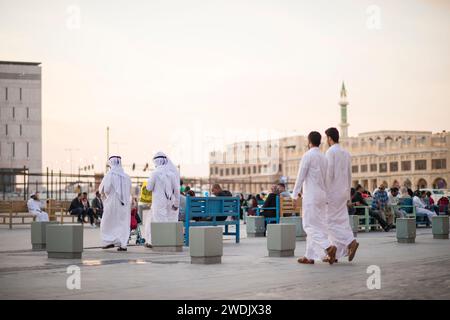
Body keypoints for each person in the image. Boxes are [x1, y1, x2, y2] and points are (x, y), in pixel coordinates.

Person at [292, 131, 336, 265]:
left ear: (309, 141)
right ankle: (309, 256)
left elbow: (301, 176)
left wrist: (294, 195)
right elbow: (328, 179)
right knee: (319, 225)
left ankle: (328, 247)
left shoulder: (308, 155)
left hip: (311, 195)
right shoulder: (324, 158)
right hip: (322, 196)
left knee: (308, 225)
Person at [324, 127, 359, 263]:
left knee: (329, 222)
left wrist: (325, 193)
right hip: (343, 192)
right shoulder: (345, 153)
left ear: (330, 138)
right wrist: (348, 196)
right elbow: (350, 176)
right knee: (342, 222)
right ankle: (335, 254)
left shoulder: (330, 152)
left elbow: (329, 175)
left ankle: (350, 242)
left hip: (333, 193)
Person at [144, 152, 180, 248]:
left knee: (158, 222)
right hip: (170, 202)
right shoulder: (172, 174)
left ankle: (158, 242)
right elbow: (176, 190)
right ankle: (152, 240)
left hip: (158, 202)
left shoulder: (155, 173)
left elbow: (149, 188)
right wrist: (176, 203)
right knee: (163, 221)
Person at [99, 156, 132, 251]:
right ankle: (123, 244)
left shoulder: (110, 175)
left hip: (112, 203)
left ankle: (109, 241)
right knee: (123, 223)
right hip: (124, 204)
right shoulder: (126, 176)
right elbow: (129, 190)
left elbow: (106, 189)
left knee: (108, 222)